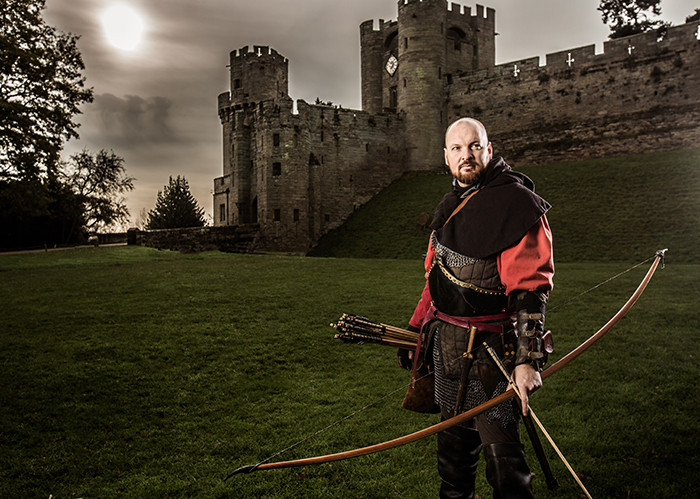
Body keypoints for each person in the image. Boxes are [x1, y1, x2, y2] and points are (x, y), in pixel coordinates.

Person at [398, 117, 554, 499]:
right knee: (453, 467)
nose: (466, 155)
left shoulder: (517, 206)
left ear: (488, 148)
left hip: (491, 358)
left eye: (474, 146)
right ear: (446, 157)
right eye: (457, 148)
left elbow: (530, 289)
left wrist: (526, 360)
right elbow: (434, 283)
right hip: (446, 352)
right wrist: (416, 331)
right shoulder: (451, 205)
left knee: (506, 471)